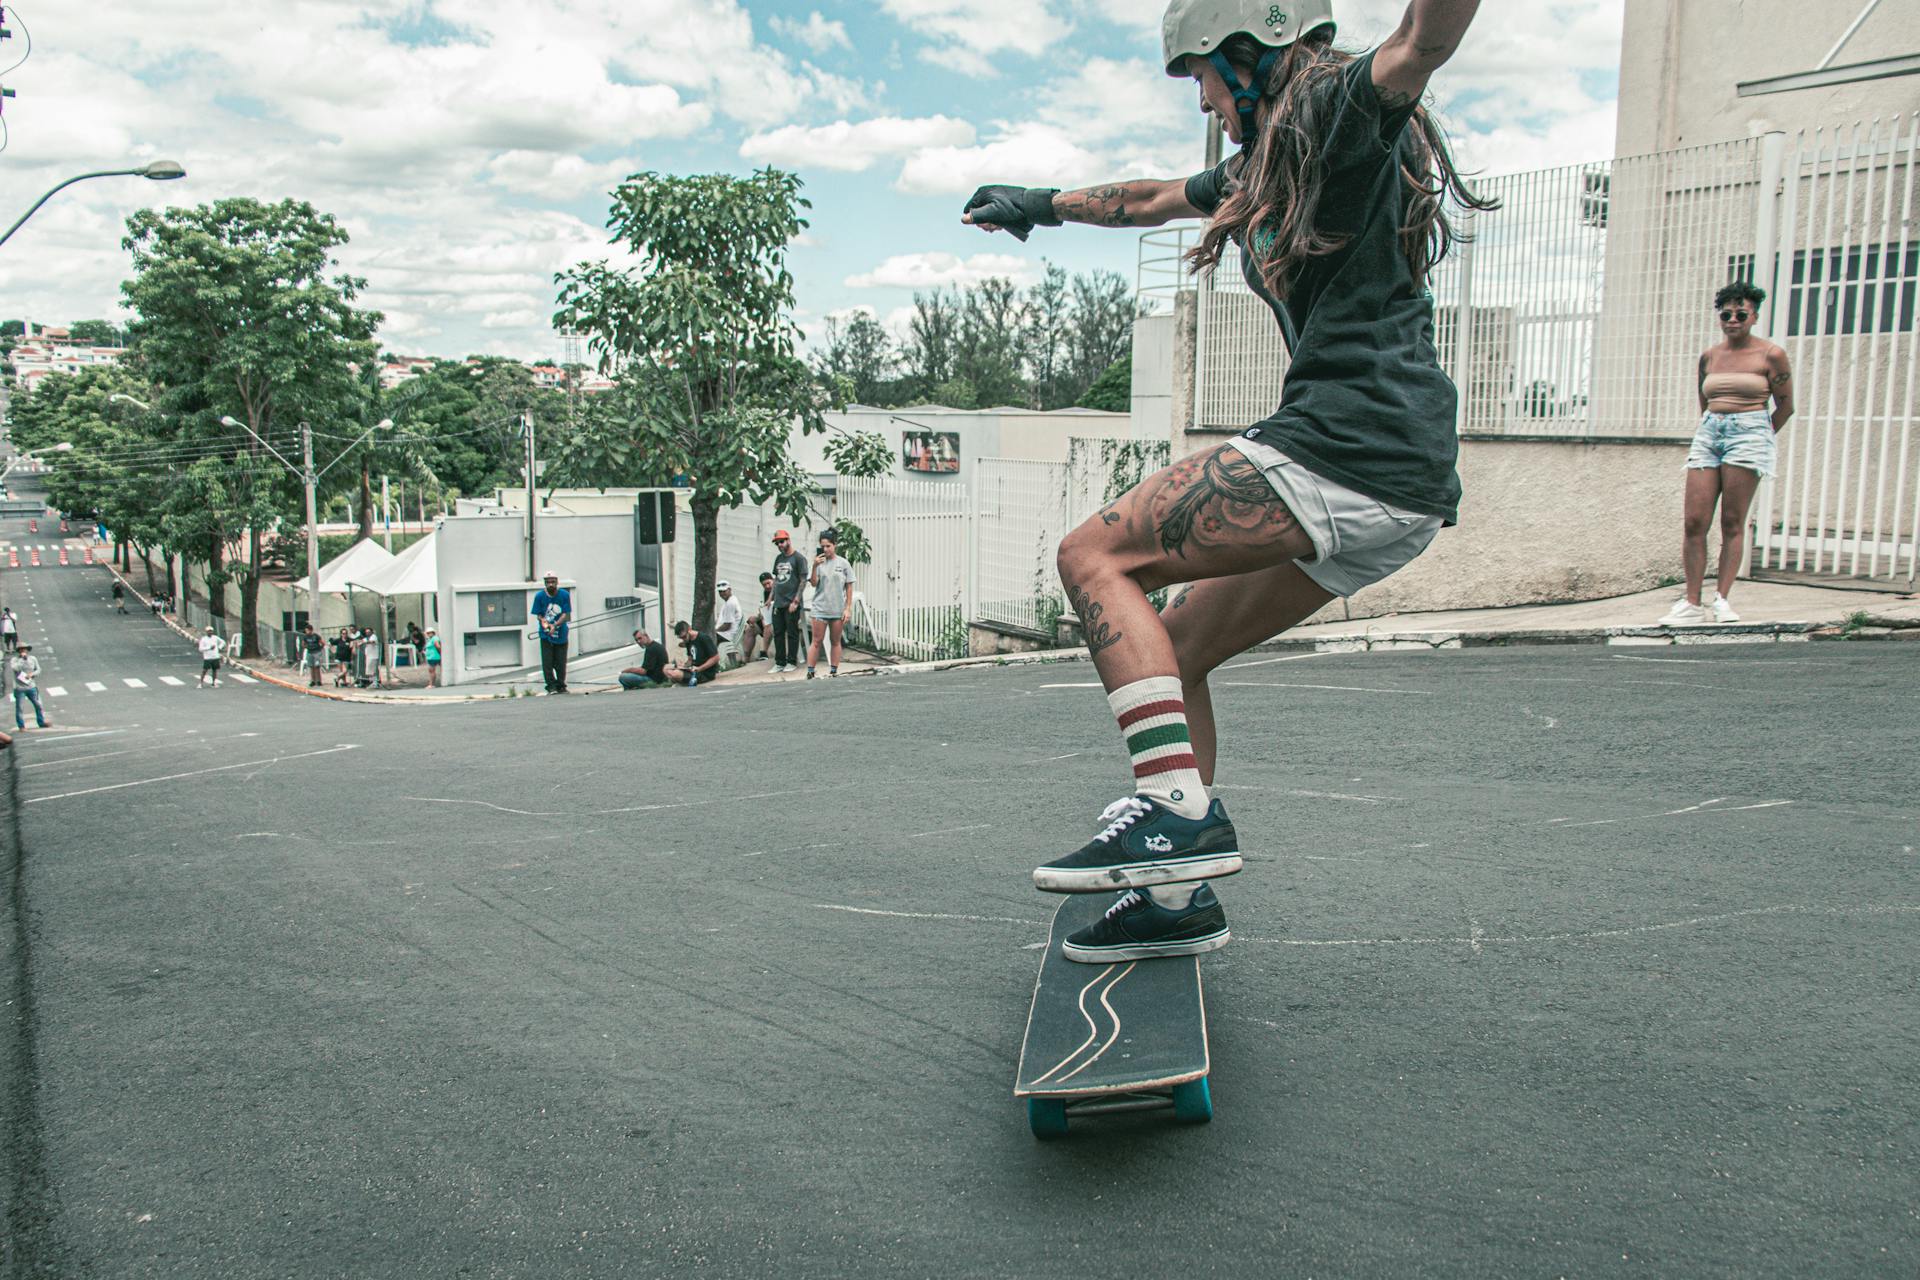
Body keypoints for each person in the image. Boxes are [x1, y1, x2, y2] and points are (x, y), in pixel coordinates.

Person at [961, 0, 1489, 963]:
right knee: (1179, 651)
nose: (1201, 95)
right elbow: (1158, 198)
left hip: (1348, 445)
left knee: (1092, 555)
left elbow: (1423, 40)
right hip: (1394, 480)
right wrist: (1041, 204)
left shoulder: (1337, 108)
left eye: (1201, 72)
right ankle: (1175, 895)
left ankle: (1173, 816)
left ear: (1249, 48)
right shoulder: (1261, 164)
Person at [1657, 281, 1795, 626]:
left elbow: (1786, 406)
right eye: (1726, 314)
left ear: (1754, 316)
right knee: (1694, 522)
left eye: (1740, 313)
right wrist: (1716, 428)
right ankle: (1691, 602)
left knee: (1732, 521)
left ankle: (1722, 600)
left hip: (1749, 434)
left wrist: (1758, 435)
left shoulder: (1771, 354)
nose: (1733, 319)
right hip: (1710, 433)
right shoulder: (1710, 356)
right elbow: (1704, 403)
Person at [805, 530, 855, 679]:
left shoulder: (843, 563)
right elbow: (813, 583)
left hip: (837, 608)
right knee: (816, 641)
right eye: (823, 546)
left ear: (835, 545)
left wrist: (847, 608)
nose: (825, 549)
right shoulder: (819, 563)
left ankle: (834, 670)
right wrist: (814, 566)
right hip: (820, 608)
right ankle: (810, 671)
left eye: (828, 546)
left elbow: (849, 586)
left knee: (835, 640)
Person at [768, 529, 809, 673]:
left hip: (791, 602)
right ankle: (780, 662)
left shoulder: (798, 558)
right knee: (778, 632)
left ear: (788, 540)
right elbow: (776, 579)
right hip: (779, 602)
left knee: (792, 632)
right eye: (777, 543)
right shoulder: (779, 559)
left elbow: (803, 580)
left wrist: (796, 601)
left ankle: (791, 661)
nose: (779, 545)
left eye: (781, 541)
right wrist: (770, 598)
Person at [531, 571, 572, 694]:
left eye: (553, 581)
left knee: (561, 661)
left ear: (557, 582)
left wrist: (555, 625)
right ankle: (551, 685)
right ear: (545, 583)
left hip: (561, 633)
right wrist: (544, 622)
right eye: (548, 582)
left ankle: (561, 685)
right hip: (546, 634)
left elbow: (565, 614)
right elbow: (538, 614)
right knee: (547, 662)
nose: (551, 584)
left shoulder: (564, 594)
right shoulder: (539, 596)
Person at [667, 620, 720, 686]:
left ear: (689, 629)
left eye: (684, 637)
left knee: (674, 674)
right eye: (681, 638)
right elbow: (690, 660)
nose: (683, 639)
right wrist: (683, 666)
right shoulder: (688, 642)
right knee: (668, 670)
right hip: (694, 670)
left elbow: (716, 658)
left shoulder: (703, 638)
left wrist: (700, 668)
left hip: (705, 673)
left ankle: (684, 682)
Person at [738, 572, 776, 663]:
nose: (767, 586)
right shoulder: (765, 592)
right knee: (750, 629)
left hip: (777, 620)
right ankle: (746, 659)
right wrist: (756, 618)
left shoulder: (778, 589)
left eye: (768, 583)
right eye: (764, 585)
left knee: (767, 624)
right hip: (768, 619)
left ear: (773, 581)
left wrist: (762, 617)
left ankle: (764, 652)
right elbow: (764, 611)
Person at [10, 643, 47, 730]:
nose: (23, 650)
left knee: (38, 705)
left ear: (27, 650)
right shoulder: (15, 660)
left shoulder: (33, 658)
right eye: (21, 649)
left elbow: (38, 669)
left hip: (31, 686)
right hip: (19, 688)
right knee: (20, 708)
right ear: (18, 651)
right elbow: (15, 668)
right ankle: (21, 726)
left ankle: (41, 722)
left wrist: (32, 674)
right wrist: (22, 659)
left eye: (24, 649)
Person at [714, 580, 743, 663]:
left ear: (730, 590)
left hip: (729, 633)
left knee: (708, 638)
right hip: (728, 632)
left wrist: (715, 630)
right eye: (720, 591)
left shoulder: (730, 603)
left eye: (724, 591)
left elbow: (727, 626)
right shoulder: (729, 601)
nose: (722, 593)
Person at [299, 622, 326, 687]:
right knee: (311, 667)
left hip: (317, 652)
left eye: (307, 630)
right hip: (310, 652)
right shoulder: (305, 637)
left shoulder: (316, 636)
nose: (306, 632)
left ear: (311, 630)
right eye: (306, 631)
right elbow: (303, 644)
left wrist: (320, 648)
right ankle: (313, 680)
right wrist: (307, 647)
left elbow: (322, 642)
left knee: (317, 666)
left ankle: (318, 680)